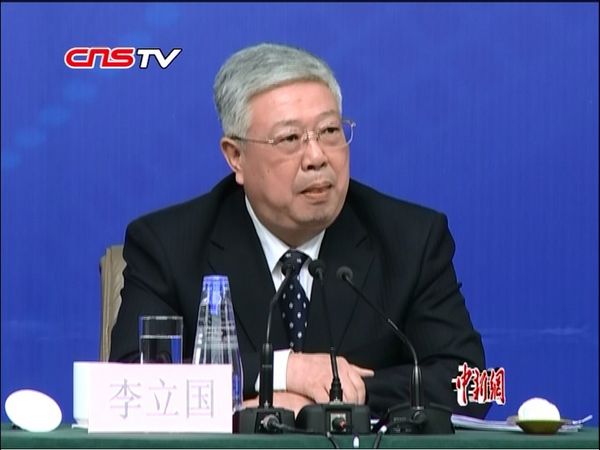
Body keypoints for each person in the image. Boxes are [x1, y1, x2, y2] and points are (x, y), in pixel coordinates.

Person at [109, 42, 489, 419]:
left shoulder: (411, 239)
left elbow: (468, 384)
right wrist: (284, 371)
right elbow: (131, 383)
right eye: (290, 139)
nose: (317, 157)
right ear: (236, 156)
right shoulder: (168, 245)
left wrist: (328, 400)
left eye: (330, 131)